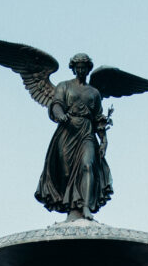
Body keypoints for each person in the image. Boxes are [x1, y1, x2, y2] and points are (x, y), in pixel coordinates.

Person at [35, 53, 113, 219]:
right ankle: (70, 206)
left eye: (83, 67)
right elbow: (56, 104)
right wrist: (61, 114)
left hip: (86, 132)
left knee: (88, 165)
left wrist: (104, 140)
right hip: (67, 132)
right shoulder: (64, 86)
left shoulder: (94, 93)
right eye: (77, 67)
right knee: (66, 173)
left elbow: (98, 118)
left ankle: (85, 206)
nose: (80, 70)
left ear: (88, 68)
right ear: (73, 68)